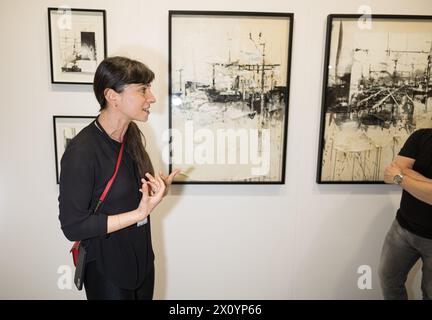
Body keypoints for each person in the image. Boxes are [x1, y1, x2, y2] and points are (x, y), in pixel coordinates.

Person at [58, 56, 180, 300]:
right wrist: (138, 214)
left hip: (142, 262)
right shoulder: (82, 150)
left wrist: (157, 192)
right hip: (107, 270)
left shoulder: (133, 134)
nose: (152, 98)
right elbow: (72, 226)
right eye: (143, 89)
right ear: (112, 96)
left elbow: (134, 197)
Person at [379, 128, 432, 299]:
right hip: (402, 228)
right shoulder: (421, 136)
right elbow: (390, 172)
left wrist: (401, 177)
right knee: (388, 280)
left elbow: (398, 173)